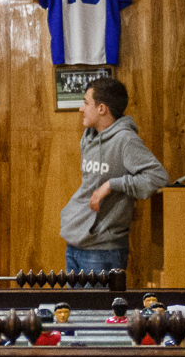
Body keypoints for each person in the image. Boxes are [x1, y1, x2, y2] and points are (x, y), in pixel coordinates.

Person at [57, 77, 168, 278]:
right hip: (75, 243)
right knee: (74, 300)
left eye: (86, 103)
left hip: (103, 250)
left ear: (102, 109)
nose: (81, 109)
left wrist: (112, 185)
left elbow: (158, 177)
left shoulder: (125, 140)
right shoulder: (87, 138)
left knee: (98, 301)